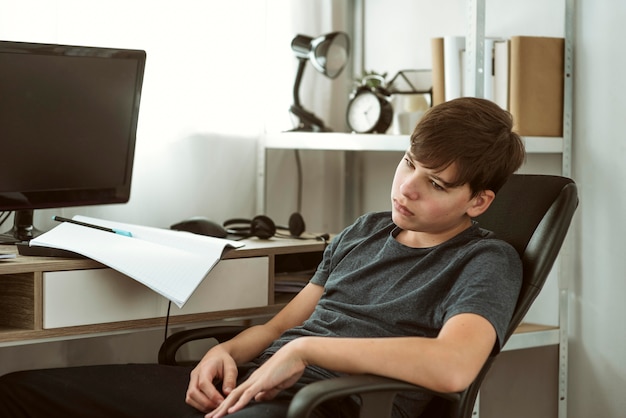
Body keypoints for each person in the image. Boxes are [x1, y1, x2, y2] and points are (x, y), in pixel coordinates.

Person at [0, 97, 526, 418]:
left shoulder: (485, 261)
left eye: (434, 182)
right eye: (408, 163)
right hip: (261, 382)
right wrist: (224, 352)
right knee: (22, 394)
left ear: (477, 201)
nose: (406, 188)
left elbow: (455, 367)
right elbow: (281, 327)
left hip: (333, 406)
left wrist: (303, 355)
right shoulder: (365, 232)